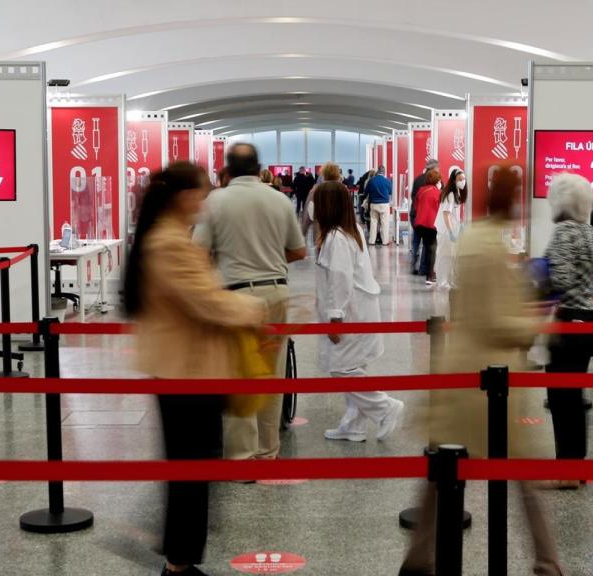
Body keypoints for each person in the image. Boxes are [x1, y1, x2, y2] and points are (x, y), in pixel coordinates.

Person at [401, 165, 564, 576]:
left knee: (442, 472)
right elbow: (496, 320)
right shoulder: (492, 247)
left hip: (459, 368)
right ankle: (547, 562)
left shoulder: (474, 235)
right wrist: (540, 324)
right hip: (491, 381)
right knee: (521, 471)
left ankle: (419, 557)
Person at [125, 162, 266, 576]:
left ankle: (179, 559)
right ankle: (177, 564)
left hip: (188, 368)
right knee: (190, 472)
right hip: (186, 372)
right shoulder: (168, 243)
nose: (206, 201)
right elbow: (206, 300)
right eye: (201, 192)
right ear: (183, 196)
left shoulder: (167, 237)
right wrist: (256, 308)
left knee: (193, 470)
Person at [193, 143, 307, 462]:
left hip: (235, 295)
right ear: (259, 167)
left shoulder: (216, 200)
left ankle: (241, 458)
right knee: (272, 373)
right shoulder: (278, 199)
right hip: (276, 293)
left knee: (238, 374)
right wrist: (268, 259)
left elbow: (198, 252)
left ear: (227, 169)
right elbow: (299, 251)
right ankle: (267, 451)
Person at [312, 181, 405, 442]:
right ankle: (353, 425)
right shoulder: (351, 231)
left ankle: (385, 407)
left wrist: (335, 317)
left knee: (342, 368)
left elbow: (340, 280)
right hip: (361, 309)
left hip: (351, 313)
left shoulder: (337, 238)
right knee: (354, 367)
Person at [542, 173, 593, 489]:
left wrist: (536, 274)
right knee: (574, 397)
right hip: (588, 320)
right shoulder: (590, 232)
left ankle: (565, 470)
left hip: (566, 322)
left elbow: (560, 281)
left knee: (561, 398)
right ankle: (576, 465)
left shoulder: (563, 231)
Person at [434, 168, 465, 289]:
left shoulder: (456, 192)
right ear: (453, 180)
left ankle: (448, 281)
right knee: (444, 256)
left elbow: (453, 214)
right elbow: (446, 214)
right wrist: (452, 232)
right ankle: (442, 282)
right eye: (460, 179)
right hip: (445, 230)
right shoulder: (450, 194)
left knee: (450, 256)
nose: (463, 182)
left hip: (451, 228)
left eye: (464, 179)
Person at [410, 159, 439, 275]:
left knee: (416, 241)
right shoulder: (435, 182)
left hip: (415, 215)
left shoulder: (417, 179)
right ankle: (423, 268)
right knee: (427, 243)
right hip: (427, 217)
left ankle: (413, 265)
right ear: (434, 168)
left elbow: (414, 197)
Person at [413, 169, 442, 285]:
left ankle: (428, 272)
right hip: (431, 224)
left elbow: (415, 205)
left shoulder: (421, 190)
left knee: (427, 247)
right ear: (437, 180)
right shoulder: (438, 193)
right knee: (432, 249)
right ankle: (430, 276)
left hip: (420, 224)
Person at [301, 162, 342, 239]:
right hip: (339, 231)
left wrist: (303, 232)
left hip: (320, 230)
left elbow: (307, 215)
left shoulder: (315, 190)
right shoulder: (343, 190)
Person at [363, 166, 393, 246]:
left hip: (374, 204)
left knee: (373, 222)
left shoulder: (371, 181)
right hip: (384, 204)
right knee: (384, 223)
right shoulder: (387, 181)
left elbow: (366, 192)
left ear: (377, 171)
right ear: (384, 172)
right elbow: (390, 192)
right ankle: (385, 241)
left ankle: (372, 241)